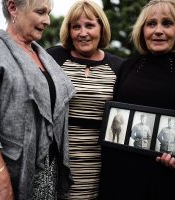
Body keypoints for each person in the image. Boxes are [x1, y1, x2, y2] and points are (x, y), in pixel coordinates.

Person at [0, 0, 75, 199]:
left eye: (49, 13)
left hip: (43, 178)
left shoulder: (44, 56)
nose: (48, 20)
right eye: (40, 12)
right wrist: (3, 186)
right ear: (12, 7)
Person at [100, 0, 175, 199]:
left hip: (167, 176)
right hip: (121, 175)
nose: (158, 30)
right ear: (142, 29)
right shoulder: (127, 66)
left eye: (167, 23)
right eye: (151, 24)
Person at [46, 0, 124, 199]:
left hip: (100, 158)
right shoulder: (53, 57)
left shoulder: (119, 67)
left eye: (89, 25)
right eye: (76, 26)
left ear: (101, 28)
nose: (83, 33)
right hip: (57, 156)